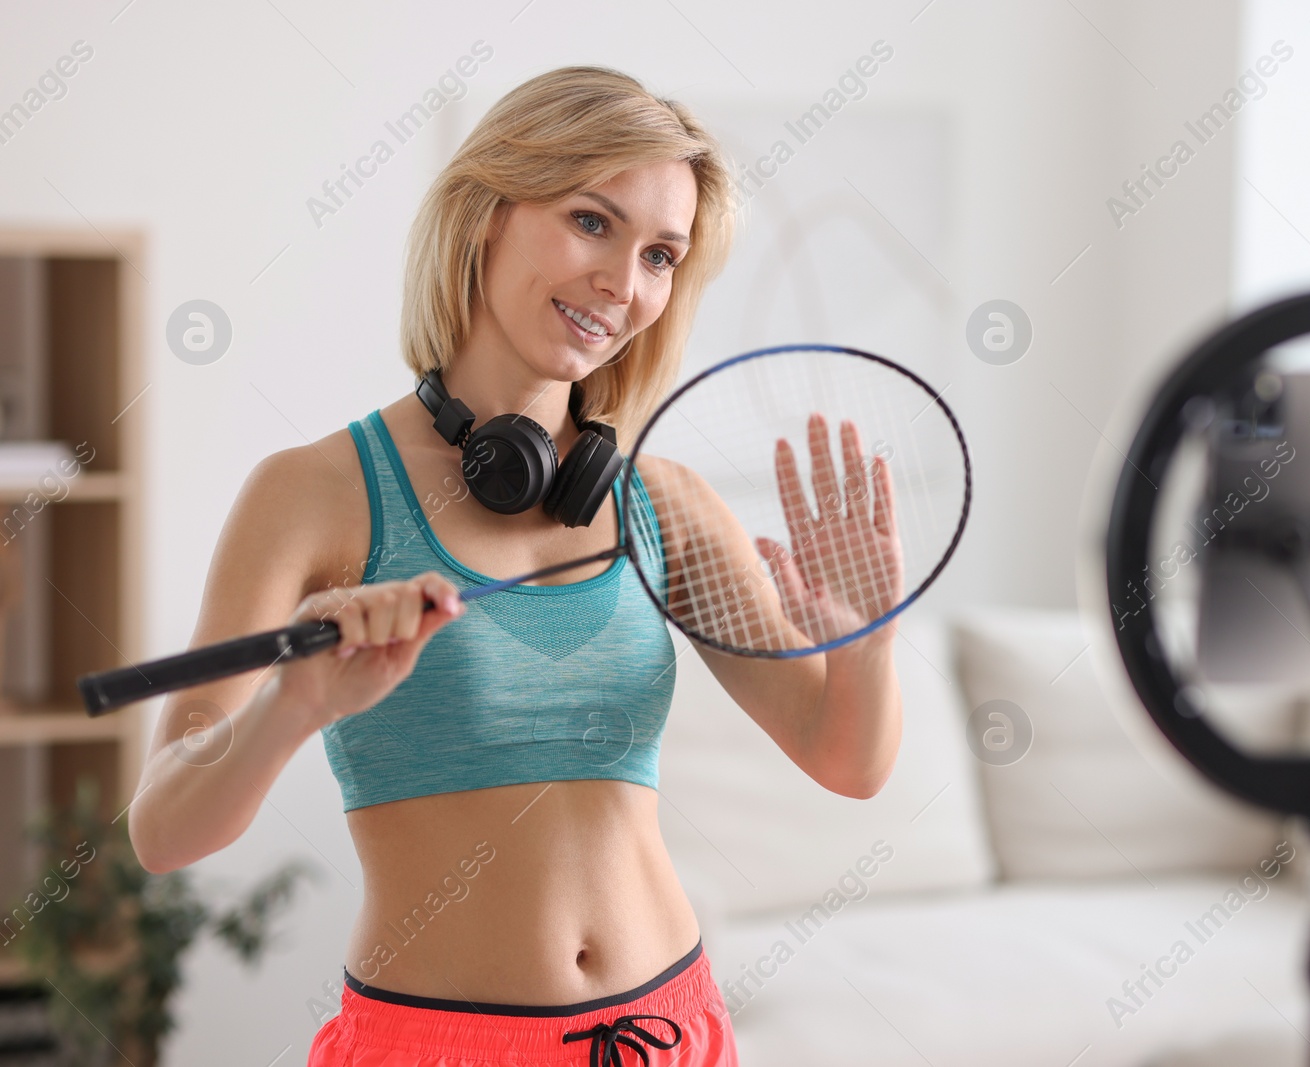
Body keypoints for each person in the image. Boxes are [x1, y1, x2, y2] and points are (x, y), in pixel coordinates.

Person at [127, 66, 903, 1066]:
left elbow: (845, 758)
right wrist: (293, 704)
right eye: (591, 221)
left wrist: (869, 638)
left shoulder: (658, 501)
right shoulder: (313, 491)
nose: (624, 286)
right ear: (487, 212)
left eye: (660, 254)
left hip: (670, 1027)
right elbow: (163, 831)